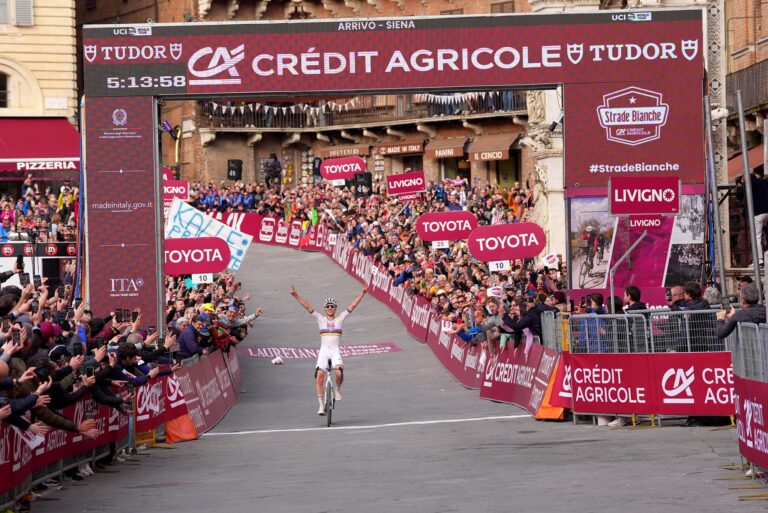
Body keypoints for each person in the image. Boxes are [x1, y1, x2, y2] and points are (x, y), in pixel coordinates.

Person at [289, 284, 367, 415]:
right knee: (319, 377)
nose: (330, 308)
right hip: (324, 352)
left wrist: (362, 293)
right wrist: (296, 295)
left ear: (335, 308)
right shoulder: (320, 318)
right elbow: (307, 307)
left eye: (332, 306)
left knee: (338, 373)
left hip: (335, 351)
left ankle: (337, 389)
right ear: (325, 309)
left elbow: (352, 306)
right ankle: (320, 405)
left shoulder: (340, 318)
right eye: (328, 307)